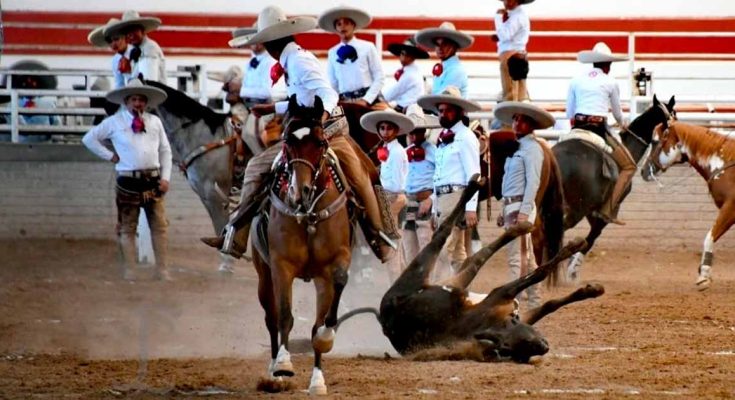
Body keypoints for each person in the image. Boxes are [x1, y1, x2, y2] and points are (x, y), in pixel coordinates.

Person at [201, 5, 399, 262]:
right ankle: (236, 234)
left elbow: (328, 94)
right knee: (256, 168)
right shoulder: (292, 60)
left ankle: (379, 236)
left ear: (271, 44)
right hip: (304, 130)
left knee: (361, 177)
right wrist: (274, 107)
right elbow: (302, 100)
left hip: (328, 130)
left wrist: (322, 119)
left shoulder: (299, 61)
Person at [82, 79, 173, 281]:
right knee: (127, 227)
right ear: (126, 102)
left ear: (146, 103)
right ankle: (129, 270)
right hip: (128, 180)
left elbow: (165, 150)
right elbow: (89, 138)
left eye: (141, 100)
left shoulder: (155, 122)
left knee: (159, 226)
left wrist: (166, 177)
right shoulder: (114, 122)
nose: (138, 104)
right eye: (134, 99)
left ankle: (162, 269)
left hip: (153, 179)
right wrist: (110, 156)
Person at [492, 100, 555, 309]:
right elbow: (511, 183)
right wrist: (504, 209)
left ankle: (513, 304)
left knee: (517, 259)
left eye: (522, 120)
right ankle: (534, 301)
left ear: (531, 125)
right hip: (513, 206)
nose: (517, 124)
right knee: (525, 259)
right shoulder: (520, 147)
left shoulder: (532, 149)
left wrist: (524, 211)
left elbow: (533, 182)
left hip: (519, 208)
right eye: (515, 119)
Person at [566, 41, 634, 225]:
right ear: (608, 65)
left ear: (593, 62)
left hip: (577, 127)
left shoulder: (576, 80)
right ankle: (608, 209)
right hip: (599, 129)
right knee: (629, 167)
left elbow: (569, 113)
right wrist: (623, 124)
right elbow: (618, 114)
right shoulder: (611, 82)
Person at [417, 87, 480, 279]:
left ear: (459, 111)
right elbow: (439, 175)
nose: (443, 114)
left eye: (448, 110)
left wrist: (470, 207)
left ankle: (440, 291)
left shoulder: (466, 137)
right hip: (444, 197)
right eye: (441, 110)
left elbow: (474, 174)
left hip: (456, 196)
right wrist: (434, 201)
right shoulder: (443, 138)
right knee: (457, 252)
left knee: (443, 250)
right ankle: (462, 289)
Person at [360, 110, 412, 281]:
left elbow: (396, 185)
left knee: (392, 249)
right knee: (395, 250)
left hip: (394, 198)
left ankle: (396, 287)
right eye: (382, 128)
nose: (385, 132)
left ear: (396, 131)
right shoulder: (387, 150)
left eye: (389, 128)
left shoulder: (396, 152)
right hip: (387, 197)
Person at [319, 6, 385, 106]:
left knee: (388, 119)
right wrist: (336, 100)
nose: (342, 27)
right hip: (345, 101)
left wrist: (367, 100)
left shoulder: (368, 47)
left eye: (347, 23)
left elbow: (379, 76)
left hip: (369, 100)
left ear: (353, 26)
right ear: (336, 28)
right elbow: (333, 82)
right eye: (339, 24)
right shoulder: (332, 52)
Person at [402, 107, 437, 262]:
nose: (414, 135)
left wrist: (431, 200)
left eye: (418, 131)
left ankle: (428, 281)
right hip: (407, 201)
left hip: (425, 200)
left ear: (424, 131)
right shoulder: (404, 152)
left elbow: (441, 177)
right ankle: (411, 283)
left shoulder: (434, 151)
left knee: (426, 244)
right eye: (411, 132)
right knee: (408, 247)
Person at [228, 24, 286, 108]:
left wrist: (241, 90)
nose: (256, 43)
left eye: (260, 39)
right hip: (250, 105)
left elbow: (268, 92)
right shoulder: (252, 61)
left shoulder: (271, 61)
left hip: (267, 106)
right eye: (254, 39)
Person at [104, 10, 166, 84]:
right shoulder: (135, 50)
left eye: (134, 30)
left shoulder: (149, 48)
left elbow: (148, 82)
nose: (130, 34)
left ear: (142, 31)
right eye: (127, 32)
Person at [415, 22, 474, 99]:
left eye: (445, 44)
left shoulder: (456, 70)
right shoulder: (445, 68)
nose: (440, 48)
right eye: (437, 44)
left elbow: (442, 99)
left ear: (454, 46)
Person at [491, 0, 532, 102]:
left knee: (510, 94)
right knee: (519, 92)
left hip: (511, 56)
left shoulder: (518, 16)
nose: (506, 2)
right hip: (515, 53)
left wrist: (497, 18)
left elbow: (505, 35)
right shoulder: (516, 15)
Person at [383, 37, 429, 113]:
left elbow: (390, 95)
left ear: (413, 56)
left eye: (408, 54)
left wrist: (377, 98)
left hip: (407, 111)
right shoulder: (411, 71)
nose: (404, 56)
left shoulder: (411, 74)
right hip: (405, 108)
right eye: (402, 53)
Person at [88, 18, 131, 89]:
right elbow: (119, 84)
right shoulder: (116, 60)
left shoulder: (137, 53)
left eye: (116, 38)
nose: (113, 43)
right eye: (109, 40)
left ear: (125, 38)